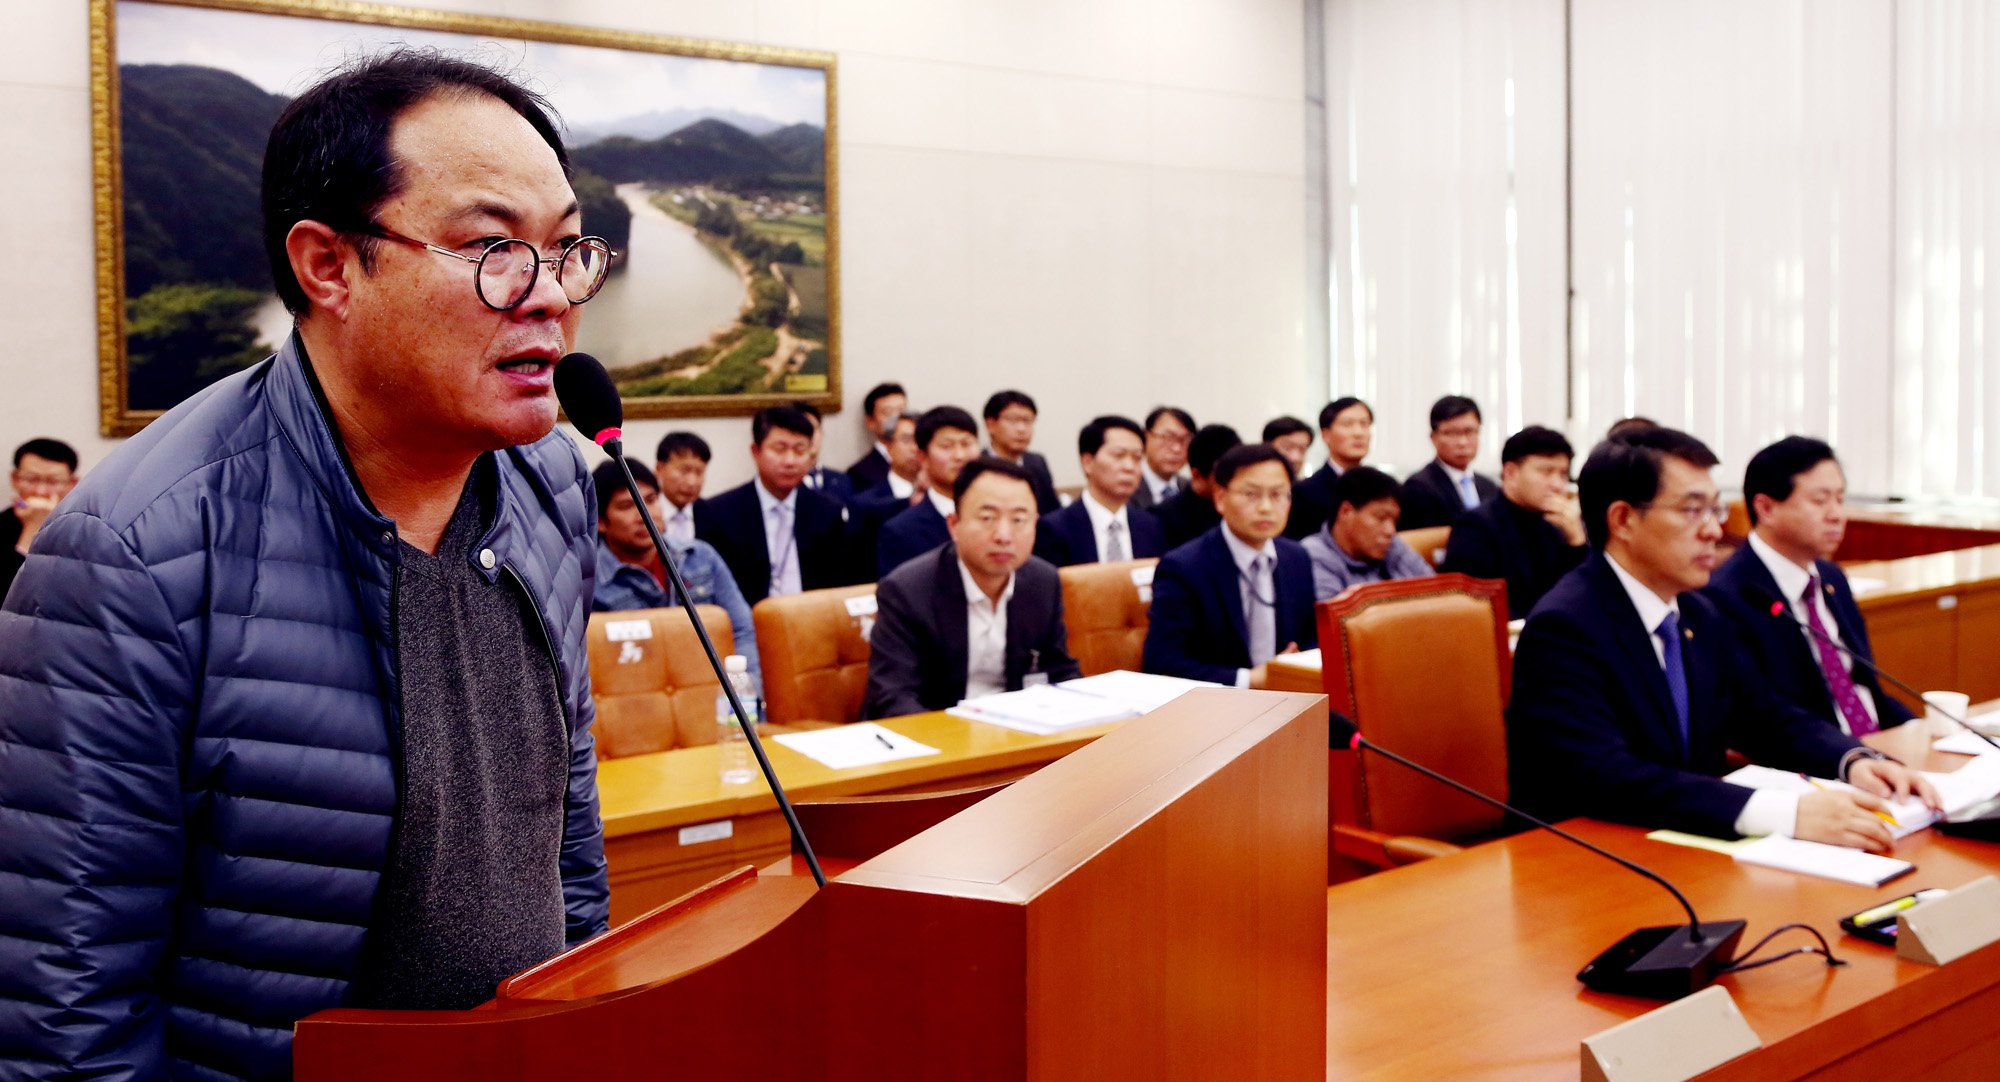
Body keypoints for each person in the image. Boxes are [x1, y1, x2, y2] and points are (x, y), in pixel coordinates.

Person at [0, 53, 613, 1077]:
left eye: (565, 250)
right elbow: (68, 1010)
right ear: (329, 265)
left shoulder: (552, 480)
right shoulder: (135, 553)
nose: (549, 297)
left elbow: (565, 839)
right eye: (494, 249)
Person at [1507, 427, 1937, 847]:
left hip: (1680, 841)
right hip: (1585, 858)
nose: (1715, 530)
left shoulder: (1697, 612)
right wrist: (1783, 814)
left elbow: (1765, 716)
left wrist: (1853, 760)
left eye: (1714, 509)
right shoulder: (1565, 627)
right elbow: (1608, 776)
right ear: (1623, 520)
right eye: (1692, 510)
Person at [1703, 437, 1913, 735]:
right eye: (1819, 501)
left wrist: (1919, 729)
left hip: (1877, 747)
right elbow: (1762, 717)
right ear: (1766, 508)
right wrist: (1852, 757)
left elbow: (1865, 687)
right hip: (1817, 760)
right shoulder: (1727, 595)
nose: (1836, 515)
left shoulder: (1831, 578)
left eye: (1840, 499)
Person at [863, 458, 1082, 718]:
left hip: (1019, 734)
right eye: (987, 518)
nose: (1004, 535)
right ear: (954, 525)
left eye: (1019, 520)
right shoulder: (906, 591)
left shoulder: (1043, 582)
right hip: (938, 735)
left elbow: (1060, 670)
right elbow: (893, 697)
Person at [1143, 444, 1317, 687]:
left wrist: (1296, 667)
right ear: (1220, 498)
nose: (1266, 507)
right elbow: (1161, 660)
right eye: (1251, 494)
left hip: (1290, 698)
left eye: (1278, 494)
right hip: (1217, 708)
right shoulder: (1184, 567)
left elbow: (1312, 637)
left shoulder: (1297, 557)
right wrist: (1251, 680)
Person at [591, 458, 759, 673]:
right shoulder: (590, 582)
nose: (644, 514)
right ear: (601, 522)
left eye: (650, 500)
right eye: (626, 506)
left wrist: (746, 693)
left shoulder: (700, 556)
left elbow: (741, 631)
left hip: (711, 688)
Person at [697, 405, 850, 603]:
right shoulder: (718, 512)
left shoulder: (828, 511)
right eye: (779, 449)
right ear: (756, 451)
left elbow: (839, 584)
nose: (790, 461)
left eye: (800, 450)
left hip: (813, 622)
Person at [1441, 425, 1587, 618]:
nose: (1558, 485)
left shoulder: (1556, 524)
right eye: (1546, 472)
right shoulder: (1475, 527)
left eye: (1563, 474)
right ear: (1510, 473)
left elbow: (1582, 595)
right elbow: (1474, 609)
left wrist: (1577, 543)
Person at [1034, 415, 1165, 566]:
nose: (1129, 467)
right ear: (1087, 462)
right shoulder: (1054, 529)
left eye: (1137, 458)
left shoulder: (1152, 526)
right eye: (1118, 455)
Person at [876, 406, 982, 576]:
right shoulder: (901, 531)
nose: (959, 455)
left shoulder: (1001, 518)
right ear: (922, 457)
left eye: (966, 444)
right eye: (947, 446)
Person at [1302, 466, 1435, 599]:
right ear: (1346, 512)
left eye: (1394, 520)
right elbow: (1336, 617)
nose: (1390, 531)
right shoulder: (1313, 555)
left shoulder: (1394, 545)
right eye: (1380, 517)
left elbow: (1438, 593)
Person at [1398, 395, 1499, 530]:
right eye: (1452, 433)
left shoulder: (1489, 487)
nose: (1462, 442)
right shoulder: (1419, 486)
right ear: (1433, 438)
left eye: (1469, 432)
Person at [1284, 396, 1373, 539]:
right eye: (1347, 424)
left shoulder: (1380, 486)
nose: (1359, 433)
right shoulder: (1304, 493)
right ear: (1326, 435)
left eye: (1365, 424)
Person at [1, 437, 78, 601]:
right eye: (31, 479)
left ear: (72, 484)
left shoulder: (82, 528)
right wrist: (33, 529)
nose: (40, 491)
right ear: (15, 479)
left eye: (53, 481)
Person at [1156, 424, 1242, 549]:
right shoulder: (1163, 518)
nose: (1232, 483)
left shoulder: (1242, 509)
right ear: (1196, 475)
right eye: (1223, 476)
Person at [982, 389, 1061, 513]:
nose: (1022, 429)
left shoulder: (1037, 462)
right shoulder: (975, 465)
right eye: (1013, 420)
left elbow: (1052, 511)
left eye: (1028, 421)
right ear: (990, 425)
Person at [846, 381, 907, 490]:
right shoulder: (859, 473)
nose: (897, 418)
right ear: (870, 421)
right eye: (888, 412)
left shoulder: (924, 461)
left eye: (902, 411)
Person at [1132, 406, 1195, 510]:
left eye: (1185, 440)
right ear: (1145, 437)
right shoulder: (1127, 486)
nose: (1176, 448)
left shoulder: (1191, 490)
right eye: (1168, 437)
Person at [653, 431, 710, 545]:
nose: (691, 482)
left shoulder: (712, 515)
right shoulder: (644, 514)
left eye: (699, 472)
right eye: (684, 471)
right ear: (659, 469)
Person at [795, 400, 854, 503]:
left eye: (812, 429)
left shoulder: (843, 480)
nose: (809, 436)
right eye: (800, 430)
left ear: (821, 433)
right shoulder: (781, 483)